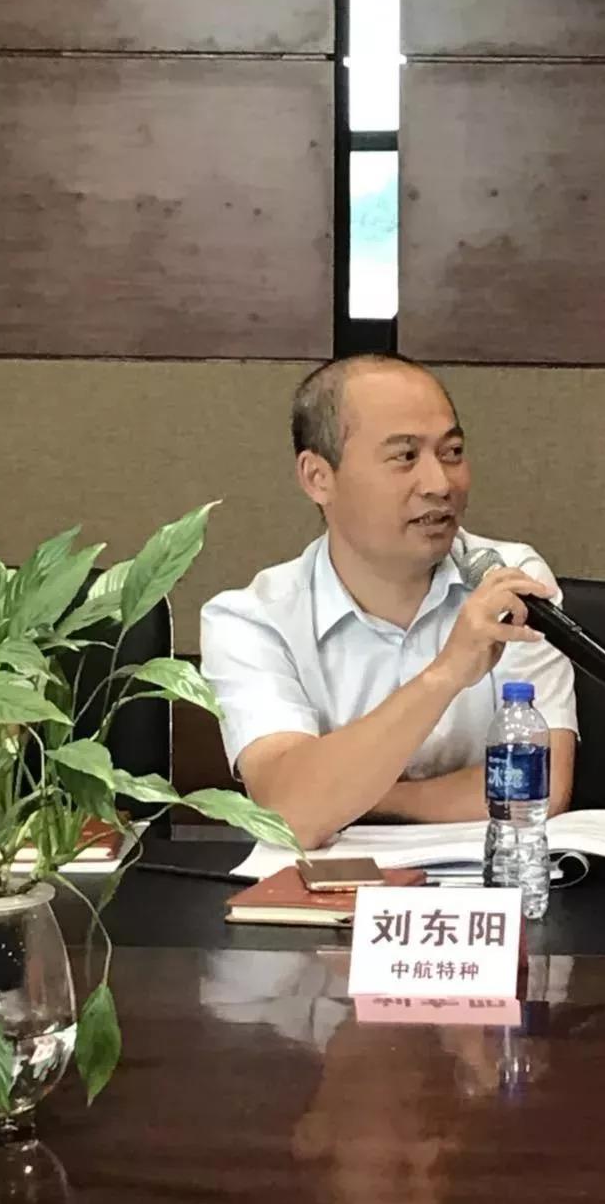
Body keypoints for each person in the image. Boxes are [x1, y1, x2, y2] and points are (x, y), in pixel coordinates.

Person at [200, 354, 577, 849]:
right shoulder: (251, 620)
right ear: (318, 477)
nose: (439, 484)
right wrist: (446, 673)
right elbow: (290, 813)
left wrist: (353, 795)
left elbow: (537, 788)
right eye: (404, 457)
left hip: (488, 881)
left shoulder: (509, 582)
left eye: (452, 452)